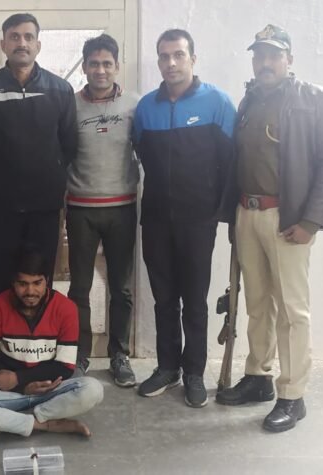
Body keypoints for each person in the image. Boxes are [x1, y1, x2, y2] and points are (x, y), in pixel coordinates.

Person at [215, 25, 323, 432]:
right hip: (248, 213)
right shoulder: (250, 99)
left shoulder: (314, 99)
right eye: (259, 55)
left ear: (289, 59)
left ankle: (292, 395)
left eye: (273, 55)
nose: (265, 62)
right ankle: (258, 377)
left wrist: (310, 221)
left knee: (292, 311)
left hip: (288, 221)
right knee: (257, 304)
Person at [132, 29, 236, 407]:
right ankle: (167, 367)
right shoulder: (146, 108)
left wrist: (222, 213)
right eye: (164, 56)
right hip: (156, 219)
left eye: (178, 55)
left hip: (198, 221)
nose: (171, 63)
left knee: (194, 301)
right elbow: (143, 155)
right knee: (163, 300)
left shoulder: (217, 103)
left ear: (193, 58)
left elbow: (231, 162)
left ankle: (193, 372)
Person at [0, 12, 78, 297]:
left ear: (38, 45)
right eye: (14, 37)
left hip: (44, 212)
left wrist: (46, 178)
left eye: (28, 37)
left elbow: (69, 145)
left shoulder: (60, 90)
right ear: (3, 44)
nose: (21, 43)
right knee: (1, 286)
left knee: (39, 289)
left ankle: (38, 332)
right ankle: (3, 331)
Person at [0, 251, 103, 439]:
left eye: (37, 283)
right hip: (11, 393)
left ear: (46, 281)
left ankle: (9, 421)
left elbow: (65, 367)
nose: (30, 292)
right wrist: (21, 387)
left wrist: (18, 378)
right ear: (13, 283)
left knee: (93, 389)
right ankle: (46, 424)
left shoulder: (66, 308)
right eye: (23, 284)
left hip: (51, 390)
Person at [66, 34, 140, 385]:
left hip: (122, 209)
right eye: (94, 63)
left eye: (107, 63)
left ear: (117, 66)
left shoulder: (134, 106)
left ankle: (119, 355)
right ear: (84, 67)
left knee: (121, 289)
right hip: (80, 209)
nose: (100, 70)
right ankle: (79, 355)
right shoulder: (69, 106)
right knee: (79, 288)